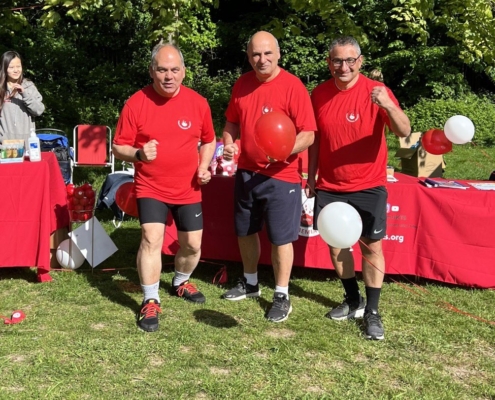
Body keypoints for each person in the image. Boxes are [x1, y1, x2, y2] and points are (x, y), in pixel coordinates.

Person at [307, 36, 411, 340]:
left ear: (360, 62)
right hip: (329, 185)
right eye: (337, 61)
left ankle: (373, 313)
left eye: (350, 60)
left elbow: (404, 131)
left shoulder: (376, 92)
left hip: (369, 184)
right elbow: (315, 140)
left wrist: (388, 105)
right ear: (329, 63)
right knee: (337, 246)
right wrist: (311, 176)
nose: (344, 66)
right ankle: (353, 300)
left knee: (371, 247)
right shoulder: (319, 94)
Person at [112, 43, 216, 332]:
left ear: (183, 71)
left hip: (188, 188)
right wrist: (139, 154)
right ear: (151, 71)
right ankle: (150, 298)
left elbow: (209, 140)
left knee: (192, 245)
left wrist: (203, 166)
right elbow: (118, 146)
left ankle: (180, 281)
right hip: (150, 186)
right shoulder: (137, 102)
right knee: (151, 238)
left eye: (174, 69)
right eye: (162, 70)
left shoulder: (198, 103)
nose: (168, 76)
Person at [221, 31, 316, 323]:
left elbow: (308, 134)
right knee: (245, 231)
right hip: (247, 173)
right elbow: (231, 122)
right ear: (248, 57)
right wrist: (228, 143)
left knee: (280, 238)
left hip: (282, 176)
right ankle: (250, 283)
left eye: (267, 53)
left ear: (278, 54)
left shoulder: (293, 86)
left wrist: (286, 150)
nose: (261, 60)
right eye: (255, 55)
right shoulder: (242, 84)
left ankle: (281, 294)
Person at [0, 51, 45, 144]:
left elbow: (39, 110)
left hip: (26, 144)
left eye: (18, 66)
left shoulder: (28, 86)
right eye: (11, 67)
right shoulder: (1, 89)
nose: (16, 70)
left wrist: (24, 94)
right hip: (4, 145)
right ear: (4, 68)